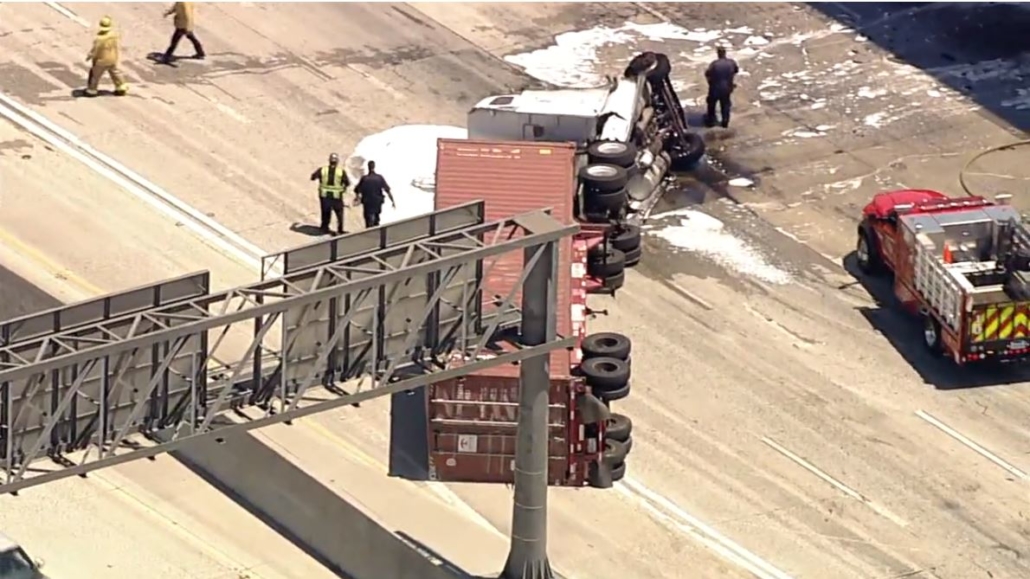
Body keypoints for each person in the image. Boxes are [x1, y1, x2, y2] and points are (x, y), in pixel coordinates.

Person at [84, 16, 129, 97]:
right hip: (113, 58)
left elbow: (95, 50)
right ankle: (121, 87)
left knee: (95, 75)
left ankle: (92, 90)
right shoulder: (114, 35)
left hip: (101, 61)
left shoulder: (99, 38)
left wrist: (90, 56)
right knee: (115, 73)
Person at [310, 153, 350, 235]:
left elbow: (313, 177)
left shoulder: (322, 170)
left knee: (325, 212)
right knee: (339, 213)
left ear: (329, 161)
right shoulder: (341, 172)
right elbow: (347, 183)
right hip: (336, 196)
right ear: (337, 162)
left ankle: (324, 227)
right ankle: (340, 229)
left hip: (324, 196)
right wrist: (343, 188)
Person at [704, 46, 739, 129]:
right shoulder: (731, 63)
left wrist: (710, 81)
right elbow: (736, 70)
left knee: (711, 103)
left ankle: (711, 121)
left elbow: (707, 74)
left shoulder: (714, 64)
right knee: (725, 104)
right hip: (727, 88)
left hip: (715, 88)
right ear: (725, 53)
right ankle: (725, 122)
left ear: (718, 54)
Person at [353, 160, 396, 229]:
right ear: (374, 167)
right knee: (376, 218)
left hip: (367, 202)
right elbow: (387, 190)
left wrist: (357, 198)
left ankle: (369, 232)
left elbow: (357, 190)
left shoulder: (364, 179)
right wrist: (392, 201)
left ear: (368, 167)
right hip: (377, 202)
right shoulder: (379, 178)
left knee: (368, 219)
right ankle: (376, 231)